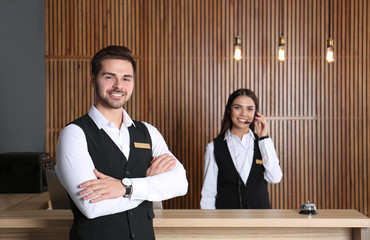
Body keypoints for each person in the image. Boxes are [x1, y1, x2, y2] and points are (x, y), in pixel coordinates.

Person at [56, 45, 188, 240]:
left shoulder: (148, 132)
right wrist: (149, 185)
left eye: (126, 78)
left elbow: (180, 183)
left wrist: (126, 187)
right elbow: (92, 206)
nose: (119, 85)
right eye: (109, 77)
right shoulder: (74, 134)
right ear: (93, 80)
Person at [200, 88, 282, 209]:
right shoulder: (214, 147)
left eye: (250, 109)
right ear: (229, 110)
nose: (244, 114)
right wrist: (211, 225)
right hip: (227, 219)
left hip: (261, 219)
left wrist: (264, 138)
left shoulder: (263, 144)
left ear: (255, 114)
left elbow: (275, 178)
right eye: (238, 107)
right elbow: (208, 193)